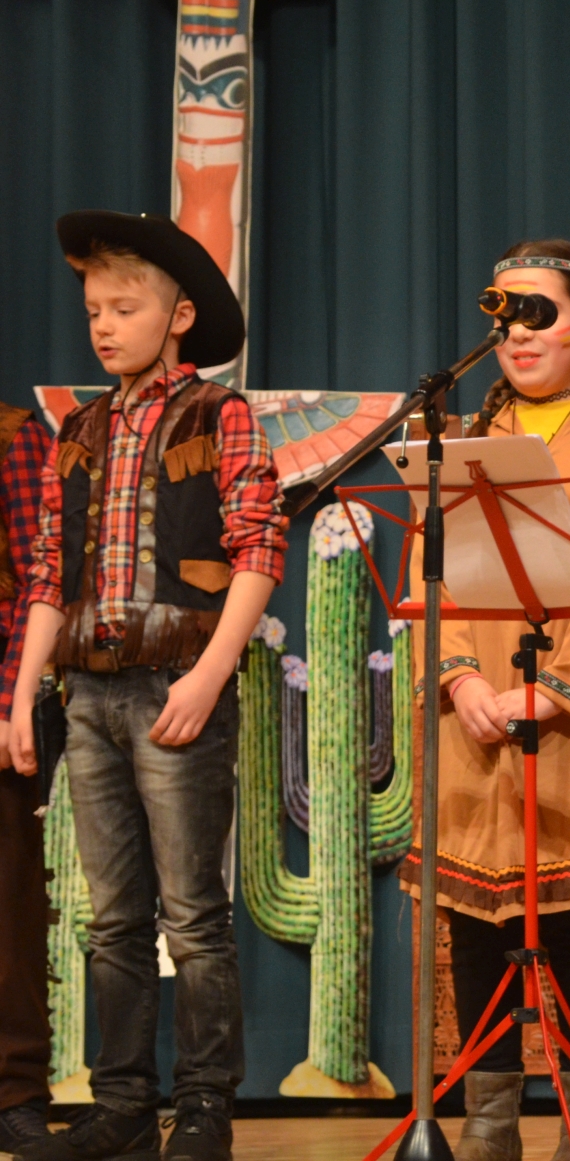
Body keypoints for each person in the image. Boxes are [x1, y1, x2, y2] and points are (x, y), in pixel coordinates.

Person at [8, 212, 287, 1161]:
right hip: (89, 695)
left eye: (125, 308)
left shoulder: (219, 413)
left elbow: (259, 547)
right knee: (113, 915)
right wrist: (24, 692)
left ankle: (204, 1102)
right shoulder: (80, 427)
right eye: (94, 309)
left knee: (193, 913)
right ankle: (121, 1102)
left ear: (179, 316)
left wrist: (209, 673)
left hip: (174, 684)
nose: (104, 325)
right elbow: (50, 571)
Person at [406, 239, 570, 1161]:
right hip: (472, 710)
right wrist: (461, 678)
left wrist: (547, 693)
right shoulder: (456, 438)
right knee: (477, 921)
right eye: (502, 312)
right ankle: (488, 1123)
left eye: (539, 312)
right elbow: (427, 568)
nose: (516, 332)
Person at [0, 398, 55, 1155]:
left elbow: (39, 575)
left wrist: (9, 698)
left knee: (9, 912)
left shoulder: (13, 438)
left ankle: (13, 1091)